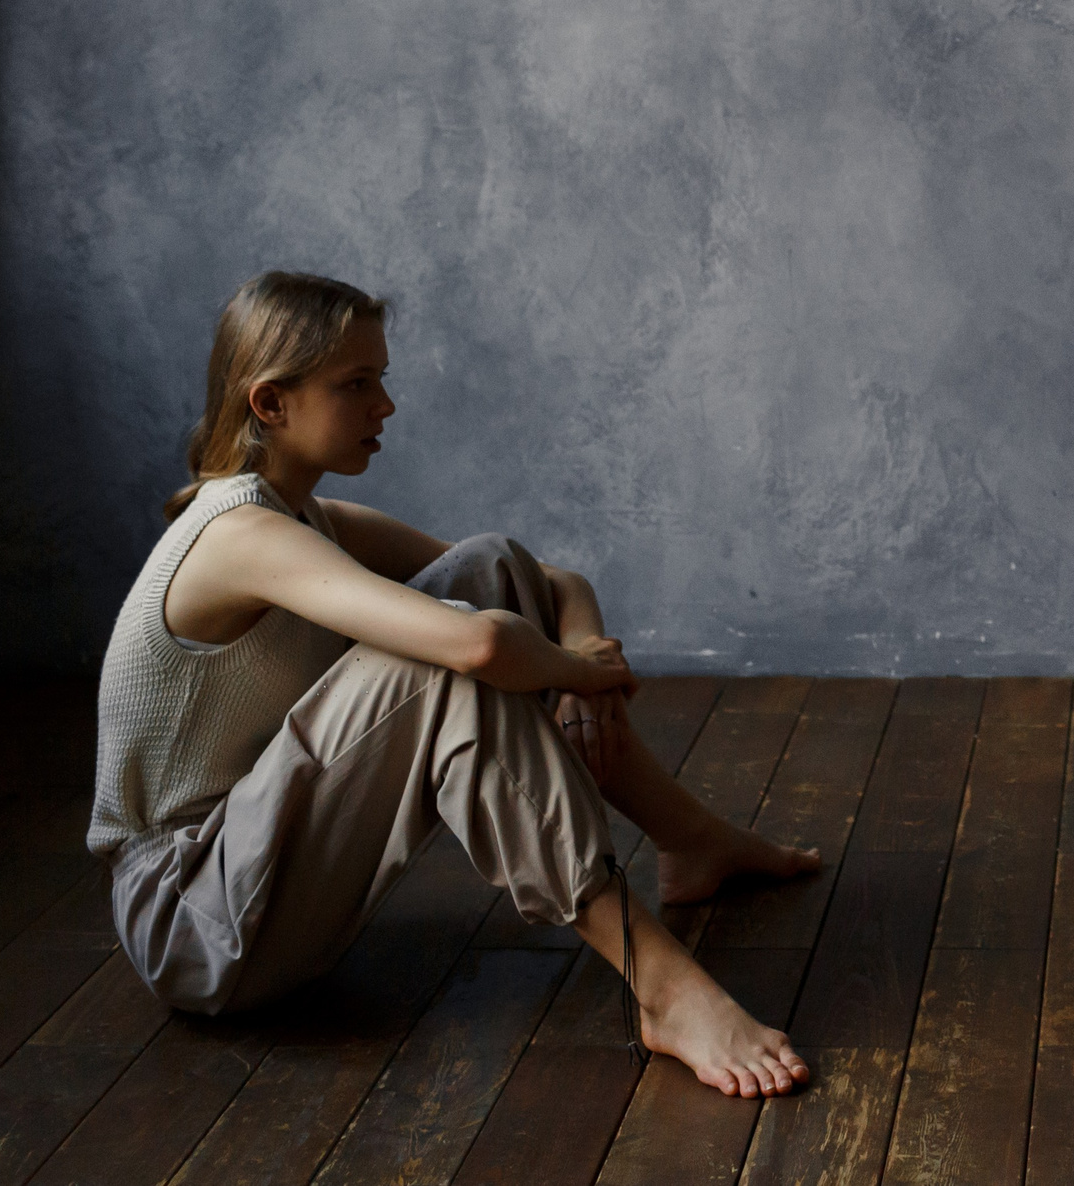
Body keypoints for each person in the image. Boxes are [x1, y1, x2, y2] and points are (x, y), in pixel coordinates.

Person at [88, 271, 819, 1097]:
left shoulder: (306, 518)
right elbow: (473, 646)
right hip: (192, 920)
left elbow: (546, 579)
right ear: (270, 404)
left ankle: (691, 839)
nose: (385, 405)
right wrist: (579, 669)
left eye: (382, 378)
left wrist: (576, 657)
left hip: (261, 876)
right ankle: (664, 987)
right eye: (356, 383)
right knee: (435, 665)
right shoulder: (236, 534)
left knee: (488, 565)